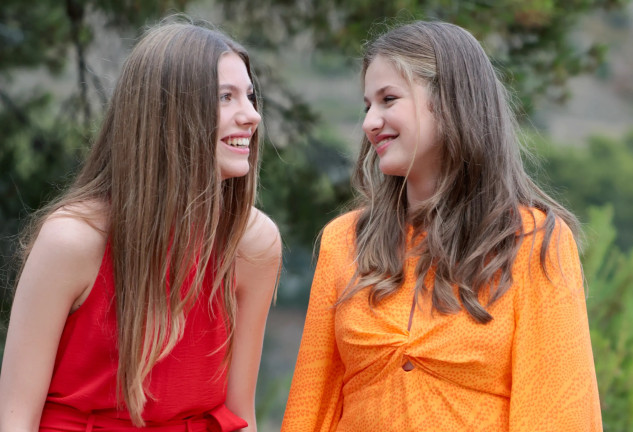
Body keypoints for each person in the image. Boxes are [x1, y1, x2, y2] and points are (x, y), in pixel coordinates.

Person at [281, 20, 601, 432]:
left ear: (450, 102)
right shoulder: (343, 240)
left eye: (388, 99)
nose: (369, 122)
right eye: (367, 106)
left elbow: (559, 412)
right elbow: (313, 404)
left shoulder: (535, 240)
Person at [0, 16, 281, 432]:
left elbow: (240, 415)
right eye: (226, 97)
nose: (251, 116)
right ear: (168, 113)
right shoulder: (72, 241)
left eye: (250, 97)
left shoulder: (254, 243)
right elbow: (14, 418)